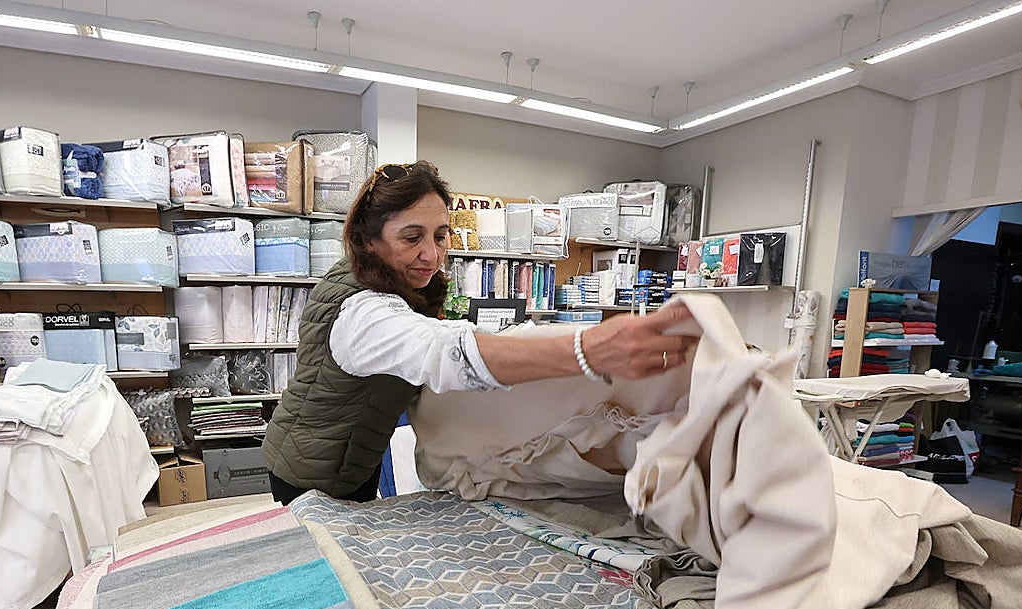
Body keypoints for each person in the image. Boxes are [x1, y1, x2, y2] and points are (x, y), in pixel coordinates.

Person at [262, 161, 696, 504]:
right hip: (310, 477)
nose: (430, 254)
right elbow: (438, 350)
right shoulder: (361, 311)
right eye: (411, 237)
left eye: (440, 235)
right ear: (368, 240)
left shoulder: (394, 285)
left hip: (351, 457)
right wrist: (587, 351)